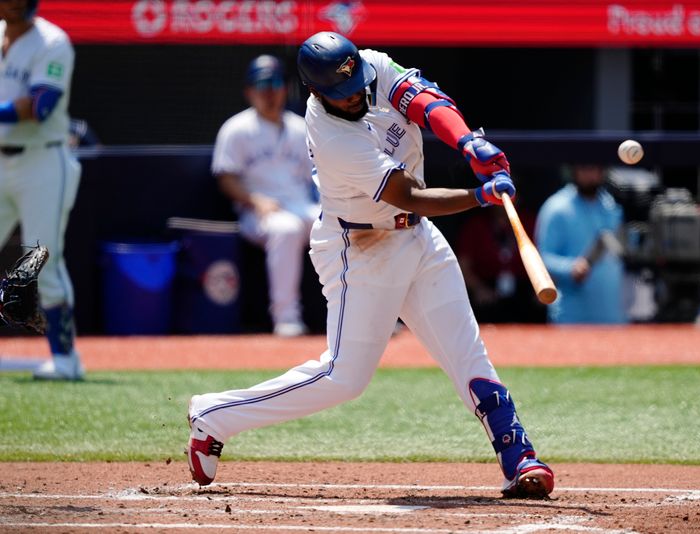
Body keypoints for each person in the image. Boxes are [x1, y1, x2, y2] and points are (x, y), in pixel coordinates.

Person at [186, 31, 555, 499]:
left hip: (417, 238)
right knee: (344, 377)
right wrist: (481, 195)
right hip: (359, 247)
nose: (357, 95)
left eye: (357, 84)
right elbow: (410, 195)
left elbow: (426, 102)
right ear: (315, 93)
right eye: (343, 93)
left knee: (468, 353)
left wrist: (466, 144)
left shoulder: (371, 65)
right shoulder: (329, 134)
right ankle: (214, 415)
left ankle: (517, 455)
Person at [0, 0, 83, 380]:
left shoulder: (53, 41)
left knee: (40, 258)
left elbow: (42, 105)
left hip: (42, 160)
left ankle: (65, 360)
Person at [211, 54, 318, 337]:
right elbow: (226, 178)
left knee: (345, 224)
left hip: (301, 205)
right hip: (257, 212)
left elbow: (319, 178)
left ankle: (362, 316)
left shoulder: (302, 127)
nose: (269, 92)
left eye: (275, 83)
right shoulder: (236, 129)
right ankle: (286, 317)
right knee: (285, 228)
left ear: (286, 88)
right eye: (262, 85)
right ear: (249, 91)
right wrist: (255, 200)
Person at [535, 164, 627, 324]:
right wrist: (570, 267)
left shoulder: (612, 206)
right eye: (584, 168)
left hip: (612, 316)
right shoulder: (556, 207)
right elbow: (541, 259)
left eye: (594, 168)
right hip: (572, 317)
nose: (590, 174)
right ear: (574, 171)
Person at [456, 204, 544, 323]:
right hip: (487, 292)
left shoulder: (531, 222)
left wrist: (541, 289)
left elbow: (545, 258)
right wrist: (478, 289)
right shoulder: (476, 225)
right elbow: (463, 265)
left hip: (524, 291)